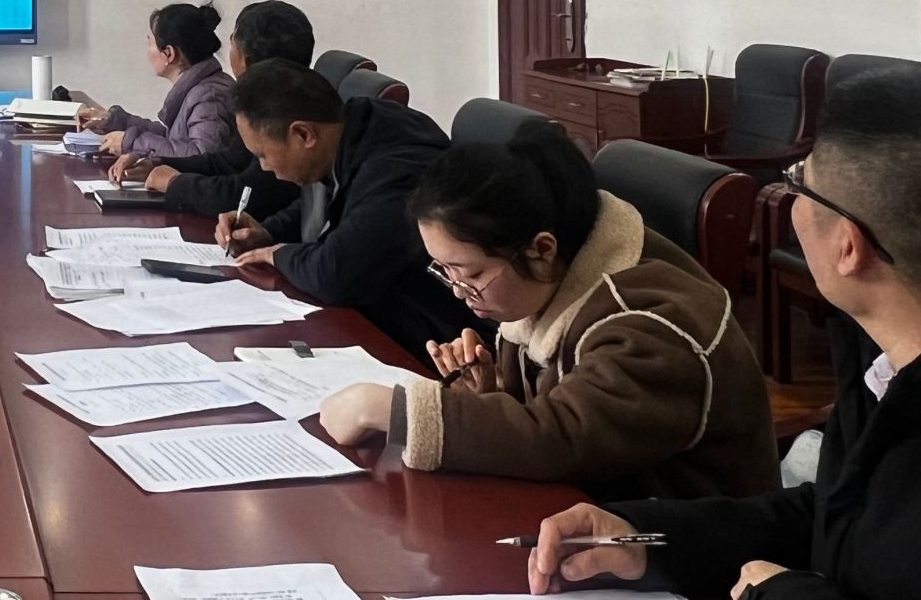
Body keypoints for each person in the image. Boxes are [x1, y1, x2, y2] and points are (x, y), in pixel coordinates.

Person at [526, 66, 921, 600]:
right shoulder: (881, 361)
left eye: (801, 183)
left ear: (848, 246)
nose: (793, 201)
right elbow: (837, 517)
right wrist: (645, 539)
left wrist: (783, 595)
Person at [315, 122, 777, 502]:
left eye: (470, 273)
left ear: (541, 249)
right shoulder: (553, 276)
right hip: (597, 512)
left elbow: (564, 436)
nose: (458, 292)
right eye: (446, 271)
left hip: (698, 555)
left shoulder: (652, 323)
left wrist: (393, 411)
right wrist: (491, 391)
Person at [213, 59, 474, 355]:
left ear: (303, 134)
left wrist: (277, 254)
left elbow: (336, 275)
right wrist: (267, 232)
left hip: (430, 342)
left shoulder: (397, 169)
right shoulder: (348, 132)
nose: (264, 167)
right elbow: (329, 204)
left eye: (263, 155)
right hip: (380, 318)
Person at [111, 0, 312, 218]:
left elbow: (241, 192)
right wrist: (158, 162)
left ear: (247, 61)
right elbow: (226, 161)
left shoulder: (277, 114)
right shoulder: (276, 99)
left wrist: (174, 182)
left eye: (233, 40)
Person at [78, 2, 237, 164]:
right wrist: (114, 121)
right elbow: (173, 139)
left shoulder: (209, 98)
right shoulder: (201, 88)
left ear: (169, 53)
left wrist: (132, 143)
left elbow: (201, 157)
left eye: (150, 42)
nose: (148, 51)